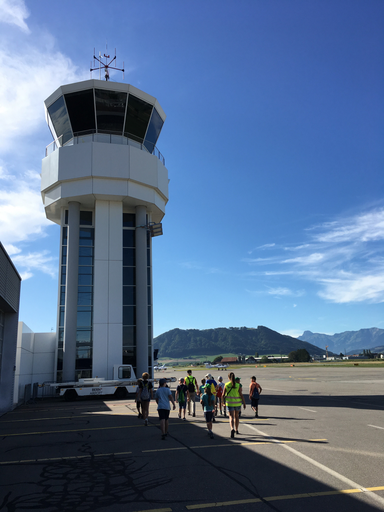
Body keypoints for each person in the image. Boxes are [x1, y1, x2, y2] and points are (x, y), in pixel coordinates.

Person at [222, 372, 246, 438]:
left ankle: (232, 428)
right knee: (236, 416)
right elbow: (241, 394)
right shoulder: (238, 385)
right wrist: (244, 402)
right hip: (238, 403)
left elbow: (223, 394)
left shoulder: (226, 384)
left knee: (231, 417)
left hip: (229, 403)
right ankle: (236, 429)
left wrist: (222, 402)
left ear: (228, 378)